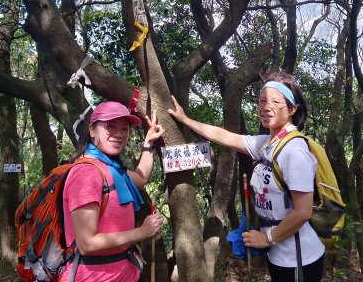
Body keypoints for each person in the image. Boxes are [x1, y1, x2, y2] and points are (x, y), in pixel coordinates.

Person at [168, 70, 324, 281]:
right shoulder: (266, 143)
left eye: (275, 102)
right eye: (261, 101)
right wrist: (186, 120)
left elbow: (303, 212)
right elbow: (224, 136)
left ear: (292, 109)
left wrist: (268, 238)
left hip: (299, 257)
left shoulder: (294, 150)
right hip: (279, 254)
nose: (266, 107)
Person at [59, 101, 164, 282]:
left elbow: (141, 177)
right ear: (92, 130)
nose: (119, 134)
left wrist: (148, 143)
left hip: (123, 272)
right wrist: (142, 232)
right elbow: (87, 243)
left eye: (125, 129)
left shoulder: (112, 168)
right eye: (110, 127)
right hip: (92, 276)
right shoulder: (86, 173)